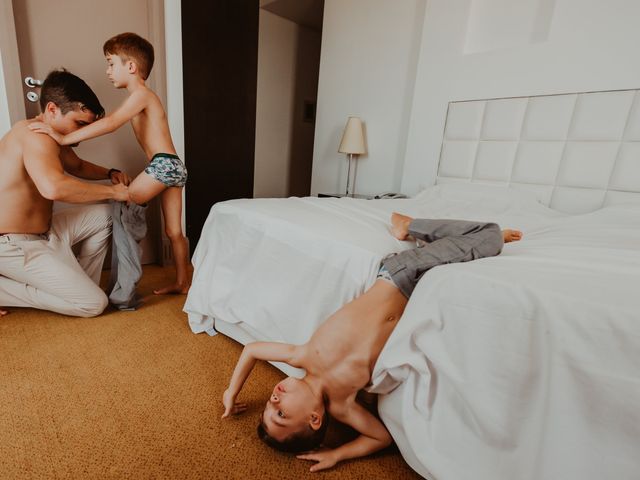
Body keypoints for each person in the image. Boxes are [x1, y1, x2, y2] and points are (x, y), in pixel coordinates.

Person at [221, 213, 523, 472]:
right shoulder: (342, 406)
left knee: (490, 237)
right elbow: (380, 438)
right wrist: (338, 454)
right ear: (314, 419)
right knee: (480, 242)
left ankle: (408, 225)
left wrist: (231, 392)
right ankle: (436, 237)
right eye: (281, 414)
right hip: (413, 291)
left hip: (397, 276)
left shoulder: (303, 357)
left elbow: (252, 350)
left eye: (270, 408)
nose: (273, 401)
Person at [29, 32, 190, 295]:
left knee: (125, 200)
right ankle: (183, 283)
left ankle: (125, 286)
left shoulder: (141, 95)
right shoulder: (143, 98)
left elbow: (112, 123)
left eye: (111, 63)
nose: (108, 71)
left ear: (131, 66)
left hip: (163, 164)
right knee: (173, 231)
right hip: (173, 167)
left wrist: (63, 136)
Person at [0, 69, 130, 318]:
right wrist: (114, 192)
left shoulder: (53, 136)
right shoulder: (34, 136)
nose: (82, 133)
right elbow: (53, 187)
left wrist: (110, 172)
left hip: (44, 233)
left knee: (105, 215)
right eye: (79, 124)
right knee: (93, 305)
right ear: (52, 110)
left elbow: (78, 166)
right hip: (14, 246)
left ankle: (79, 283)